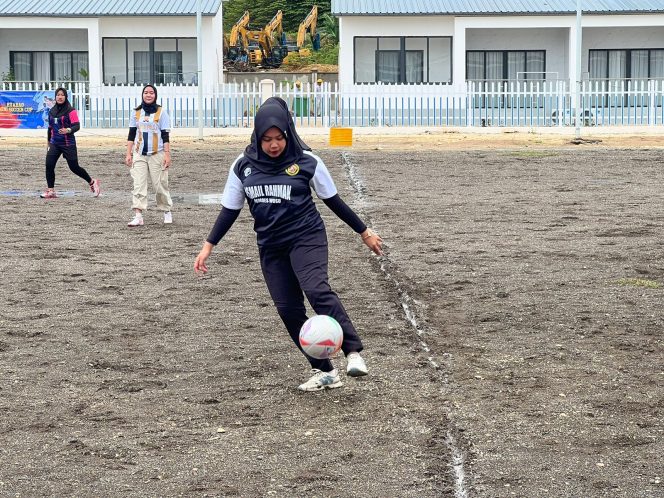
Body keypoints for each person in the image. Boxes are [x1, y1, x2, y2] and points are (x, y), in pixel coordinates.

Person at [194, 97, 383, 392]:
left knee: (316, 289)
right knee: (288, 309)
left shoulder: (308, 161)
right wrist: (208, 245)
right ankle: (324, 371)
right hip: (271, 246)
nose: (273, 145)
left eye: (278, 138)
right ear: (257, 136)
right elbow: (230, 210)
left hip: (306, 237)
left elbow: (332, 200)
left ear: (288, 133)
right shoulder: (242, 166)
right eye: (267, 139)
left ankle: (353, 352)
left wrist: (363, 231)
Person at [125, 84, 173, 227]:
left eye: (151, 93)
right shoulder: (136, 112)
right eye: (146, 92)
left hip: (157, 154)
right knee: (138, 184)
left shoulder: (161, 112)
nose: (148, 95)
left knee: (160, 185)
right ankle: (138, 215)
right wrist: (128, 153)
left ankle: (166, 211)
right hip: (139, 153)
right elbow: (131, 133)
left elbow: (165, 135)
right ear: (142, 95)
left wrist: (167, 154)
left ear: (155, 95)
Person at [40, 88, 100, 199]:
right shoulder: (51, 111)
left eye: (62, 95)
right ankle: (51, 191)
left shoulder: (70, 110)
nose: (60, 97)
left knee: (74, 167)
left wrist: (68, 130)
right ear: (55, 97)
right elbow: (50, 128)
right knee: (49, 165)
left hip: (68, 143)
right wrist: (48, 143)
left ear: (66, 97)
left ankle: (92, 182)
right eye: (58, 95)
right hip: (55, 143)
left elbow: (76, 126)